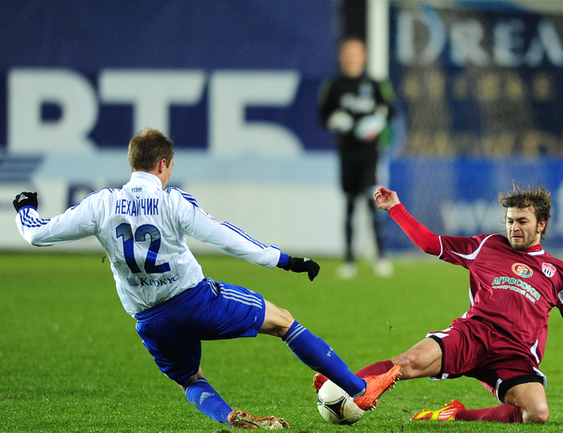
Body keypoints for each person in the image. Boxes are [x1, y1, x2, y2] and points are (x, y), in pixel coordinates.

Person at [13, 128, 401, 430]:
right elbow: (226, 237)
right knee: (283, 322)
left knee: (190, 380)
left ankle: (228, 416)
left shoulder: (101, 204)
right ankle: (359, 388)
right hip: (195, 302)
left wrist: (24, 208)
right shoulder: (171, 201)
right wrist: (285, 261)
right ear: (163, 164)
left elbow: (37, 234)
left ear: (133, 163)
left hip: (150, 321)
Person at [314, 184, 563, 423]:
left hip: (515, 354)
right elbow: (430, 244)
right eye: (510, 220)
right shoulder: (485, 246)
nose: (513, 227)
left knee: (537, 413)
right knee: (408, 361)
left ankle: (456, 415)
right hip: (472, 335)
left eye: (522, 221)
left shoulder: (560, 273)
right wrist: (395, 207)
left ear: (541, 225)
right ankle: (339, 385)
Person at [318, 36, 395, 279]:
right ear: (342, 57)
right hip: (347, 153)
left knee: (373, 202)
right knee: (350, 203)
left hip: (370, 154)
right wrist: (335, 120)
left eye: (356, 53)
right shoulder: (334, 85)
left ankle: (380, 257)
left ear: (364, 57)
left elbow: (391, 110)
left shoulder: (376, 84)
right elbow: (323, 115)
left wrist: (377, 122)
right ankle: (349, 260)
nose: (352, 58)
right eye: (348, 53)